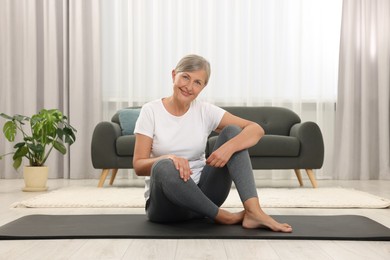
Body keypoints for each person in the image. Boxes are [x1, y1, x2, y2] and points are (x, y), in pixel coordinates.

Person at [133, 54, 292, 232]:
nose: (189, 87)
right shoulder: (151, 111)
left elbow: (256, 129)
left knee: (233, 132)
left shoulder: (204, 110)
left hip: (205, 197)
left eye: (197, 82)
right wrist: (169, 158)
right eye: (185, 77)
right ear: (173, 75)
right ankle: (224, 216)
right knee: (164, 166)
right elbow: (139, 166)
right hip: (166, 208)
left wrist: (229, 147)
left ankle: (254, 211)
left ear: (203, 87)